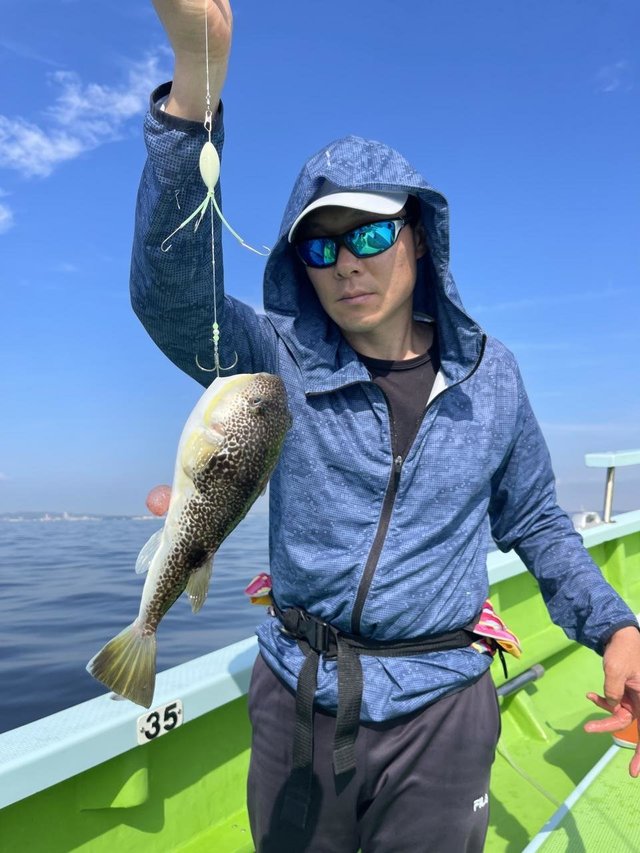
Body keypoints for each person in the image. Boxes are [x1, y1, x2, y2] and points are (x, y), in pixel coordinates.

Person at [134, 2, 640, 850]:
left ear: (420, 236)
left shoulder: (491, 375)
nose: (347, 264)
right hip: (297, 696)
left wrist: (616, 627)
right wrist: (194, 92)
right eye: (320, 247)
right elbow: (170, 296)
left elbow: (537, 522)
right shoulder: (274, 363)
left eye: (369, 233)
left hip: (442, 709)